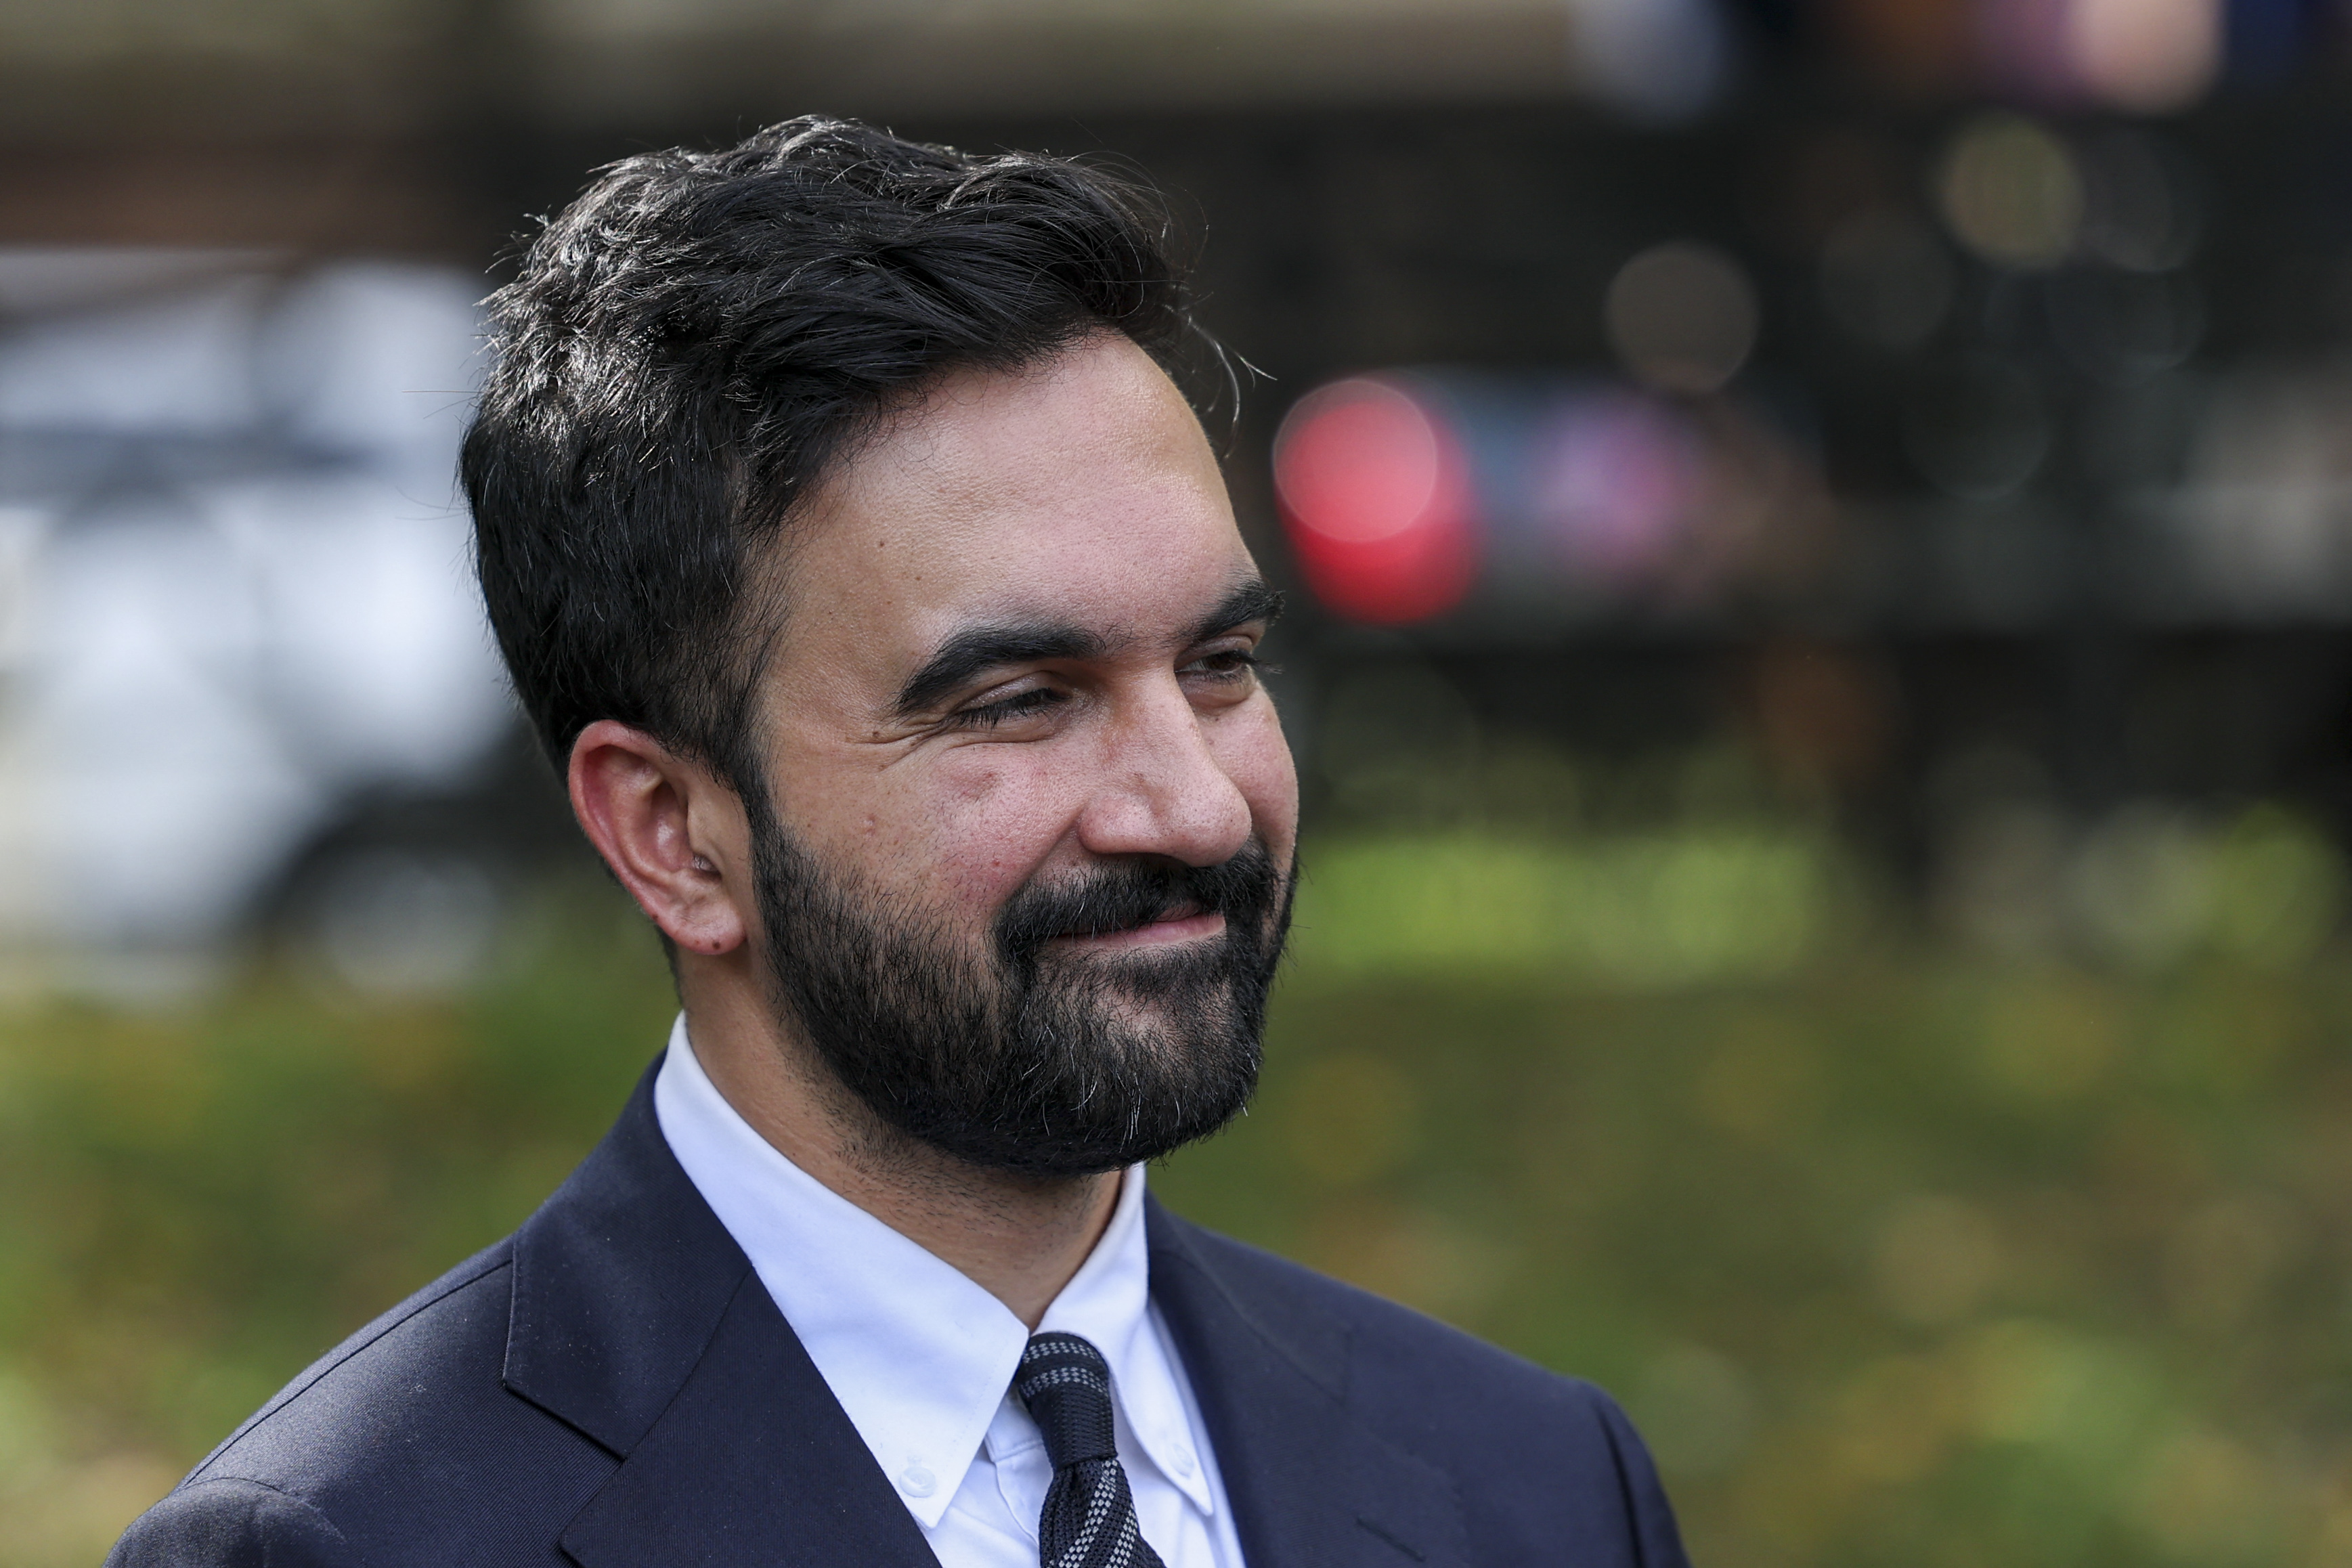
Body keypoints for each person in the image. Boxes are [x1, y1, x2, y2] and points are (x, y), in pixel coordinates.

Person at [109, 117, 1691, 1568]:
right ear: (672, 835)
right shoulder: (347, 1544)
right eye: (1019, 702)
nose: (1197, 806)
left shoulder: (1534, 1486)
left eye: (1219, 666)